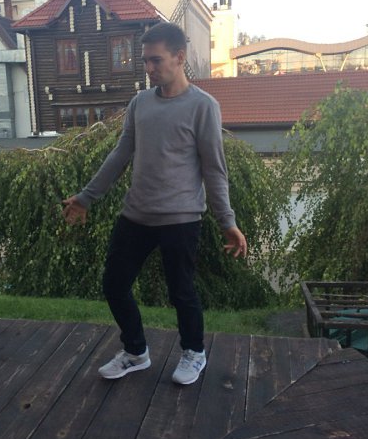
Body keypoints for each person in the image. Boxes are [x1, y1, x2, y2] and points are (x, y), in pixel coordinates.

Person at [63, 22, 247, 385]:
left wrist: (227, 221)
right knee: (114, 284)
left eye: (156, 60)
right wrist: (86, 197)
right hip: (136, 215)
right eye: (145, 61)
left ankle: (194, 352)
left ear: (179, 57)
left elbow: (214, 169)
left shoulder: (203, 106)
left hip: (181, 219)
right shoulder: (140, 103)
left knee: (181, 292)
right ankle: (135, 352)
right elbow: (120, 156)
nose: (148, 68)